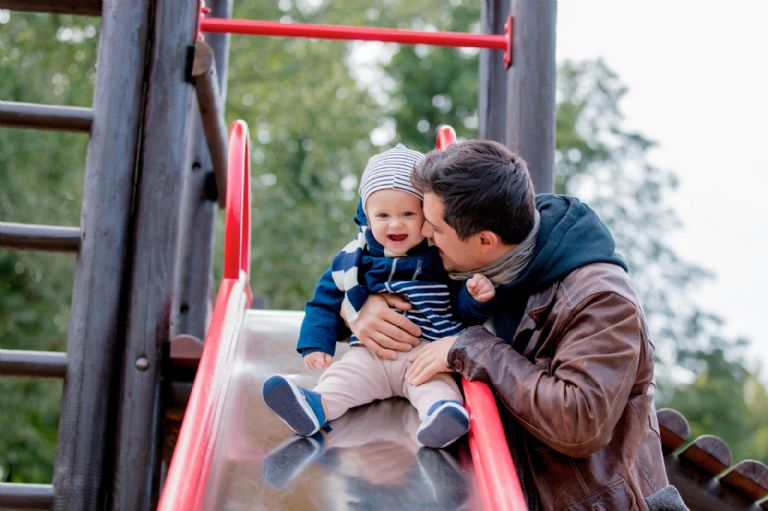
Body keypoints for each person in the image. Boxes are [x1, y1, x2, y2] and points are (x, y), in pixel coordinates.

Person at [348, 140, 687, 510]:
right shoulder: (472, 256)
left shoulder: (601, 301)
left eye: (435, 227)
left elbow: (579, 421)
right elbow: (369, 258)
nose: (425, 235)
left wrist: (472, 348)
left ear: (484, 240)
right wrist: (360, 307)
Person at [262, 144, 495, 449]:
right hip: (370, 355)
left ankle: (440, 417)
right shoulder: (353, 261)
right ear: (366, 217)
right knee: (342, 378)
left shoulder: (440, 258)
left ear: (425, 216)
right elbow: (324, 301)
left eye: (408, 213)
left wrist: (475, 299)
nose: (395, 224)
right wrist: (315, 344)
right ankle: (314, 407)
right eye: (383, 214)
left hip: (424, 356)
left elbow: (458, 310)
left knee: (437, 389)